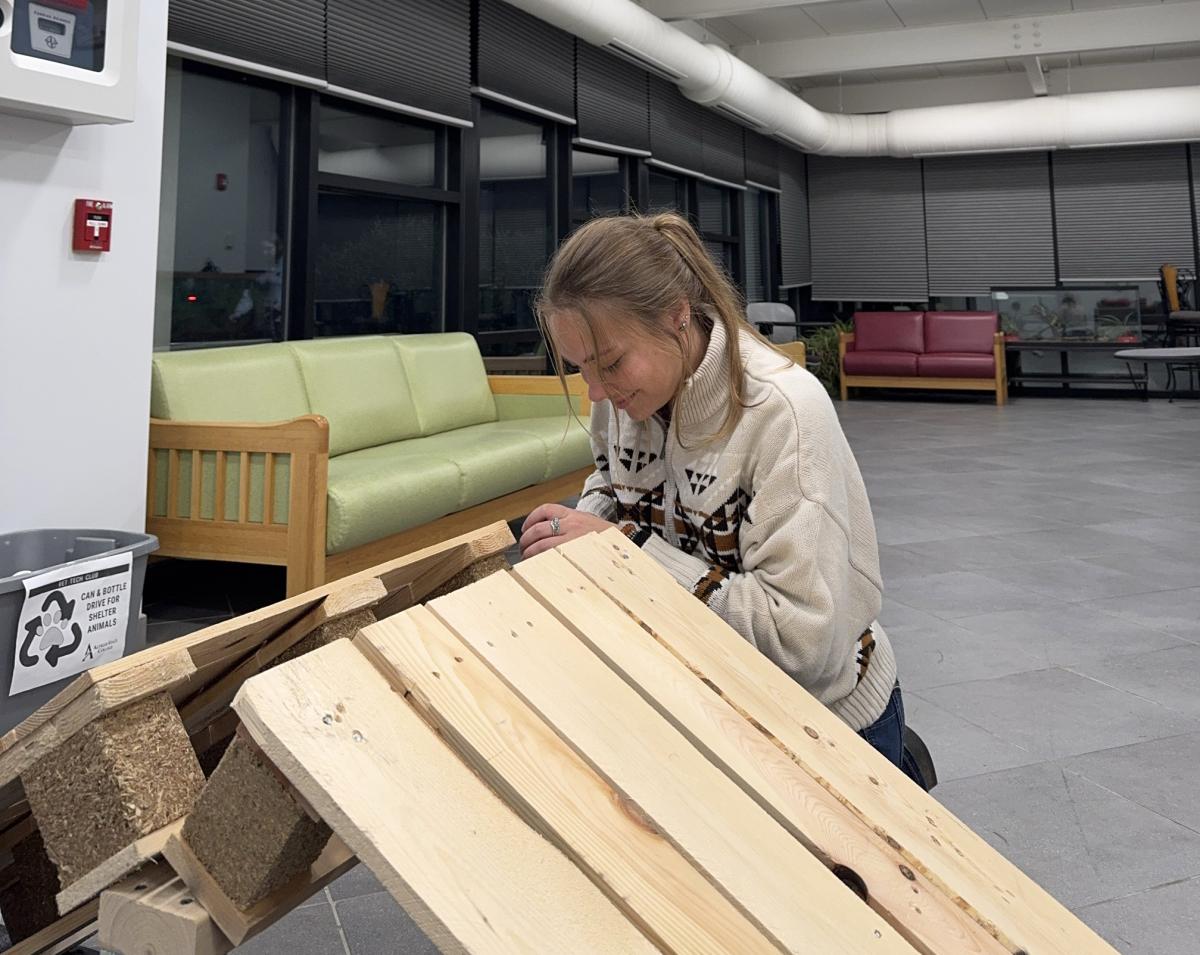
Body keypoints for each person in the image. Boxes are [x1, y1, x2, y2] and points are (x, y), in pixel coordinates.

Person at [519, 211, 924, 785]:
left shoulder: (784, 413)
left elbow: (800, 644)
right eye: (579, 367)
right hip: (707, 712)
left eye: (608, 363)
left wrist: (624, 551)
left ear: (678, 317)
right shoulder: (619, 396)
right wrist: (580, 530)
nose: (596, 390)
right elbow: (614, 485)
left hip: (825, 729)